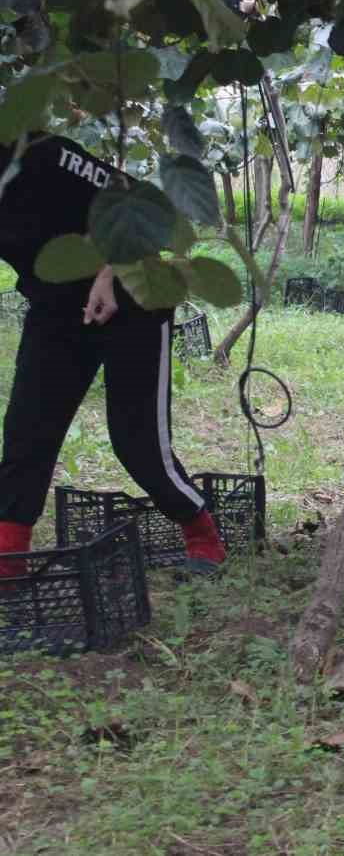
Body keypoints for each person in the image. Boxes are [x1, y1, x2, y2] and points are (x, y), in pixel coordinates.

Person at [0, 135, 227, 581]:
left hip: (132, 295)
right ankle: (8, 559)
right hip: (56, 312)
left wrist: (109, 271)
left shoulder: (42, 155)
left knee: (136, 442)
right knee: (27, 434)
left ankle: (203, 535)